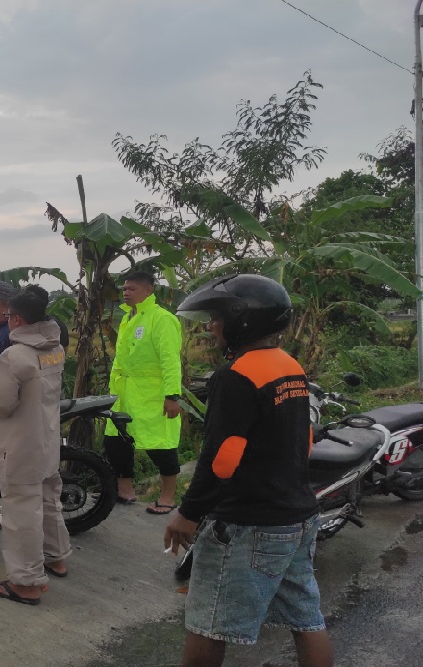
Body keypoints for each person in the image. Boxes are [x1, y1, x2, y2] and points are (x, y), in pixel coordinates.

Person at [164, 274, 333, 667]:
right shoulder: (290, 366)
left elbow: (222, 459)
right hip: (298, 515)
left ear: (243, 320)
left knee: (207, 621)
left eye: (217, 317)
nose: (210, 325)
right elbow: (303, 441)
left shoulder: (235, 376)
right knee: (306, 618)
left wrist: (187, 514)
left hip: (248, 523)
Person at [0, 287, 69, 605]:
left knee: (21, 511)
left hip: (19, 445)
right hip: (46, 438)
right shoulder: (55, 348)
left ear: (16, 318)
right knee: (48, 500)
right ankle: (57, 558)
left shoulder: (14, 357)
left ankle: (26, 583)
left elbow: (1, 405)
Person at [102, 271, 183, 513]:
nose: (126, 292)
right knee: (115, 441)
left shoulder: (161, 319)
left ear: (149, 291)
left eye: (132, 289)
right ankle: (125, 491)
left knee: (160, 446)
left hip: (152, 394)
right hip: (125, 392)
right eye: (125, 288)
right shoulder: (128, 318)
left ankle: (167, 497)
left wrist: (172, 396)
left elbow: (170, 361)